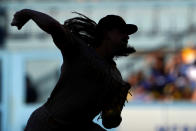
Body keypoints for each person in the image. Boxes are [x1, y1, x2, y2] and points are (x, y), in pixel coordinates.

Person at [11, 9, 138, 131]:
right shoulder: (80, 51)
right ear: (106, 33)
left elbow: (109, 122)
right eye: (122, 31)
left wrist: (115, 109)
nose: (127, 36)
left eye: (128, 33)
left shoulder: (116, 77)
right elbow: (54, 27)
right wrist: (27, 13)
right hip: (48, 125)